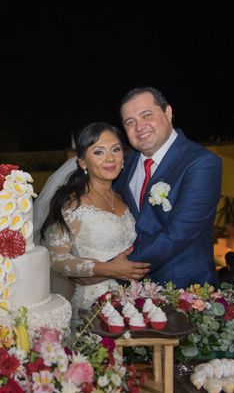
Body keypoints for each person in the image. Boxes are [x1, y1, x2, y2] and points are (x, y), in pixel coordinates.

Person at [38, 122, 150, 325]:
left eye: (116, 149)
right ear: (82, 162)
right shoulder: (74, 203)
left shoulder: (123, 198)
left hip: (130, 300)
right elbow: (56, 258)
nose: (110, 158)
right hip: (91, 307)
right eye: (99, 152)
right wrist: (108, 269)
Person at [113, 87, 222, 288]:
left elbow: (179, 234)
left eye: (146, 115)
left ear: (168, 113)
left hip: (185, 290)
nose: (139, 127)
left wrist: (114, 268)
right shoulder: (124, 164)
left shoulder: (202, 163)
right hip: (132, 294)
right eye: (130, 122)